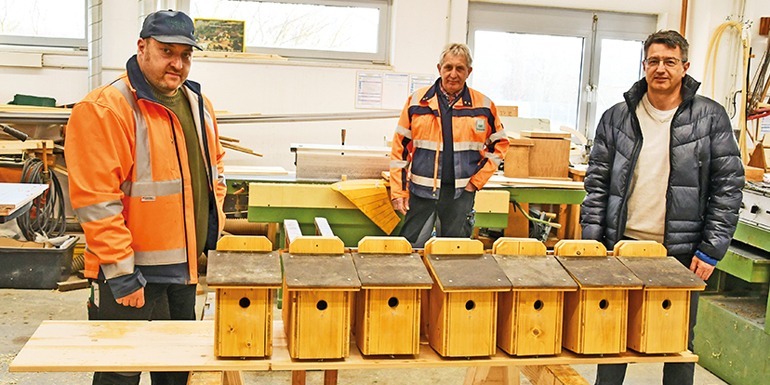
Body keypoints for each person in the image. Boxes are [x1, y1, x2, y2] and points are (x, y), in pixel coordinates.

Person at [65, 9, 226, 385]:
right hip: (132, 275)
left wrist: (210, 241)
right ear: (142, 47)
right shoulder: (106, 108)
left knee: (175, 374)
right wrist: (121, 274)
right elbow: (96, 201)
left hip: (184, 271)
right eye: (167, 51)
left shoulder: (198, 104)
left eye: (186, 55)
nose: (178, 63)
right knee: (120, 374)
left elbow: (214, 172)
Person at [581, 30, 744, 385]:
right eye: (653, 61)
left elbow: (727, 187)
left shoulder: (711, 118)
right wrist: (592, 245)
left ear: (685, 67)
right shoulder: (616, 117)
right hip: (621, 245)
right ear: (644, 65)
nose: (661, 69)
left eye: (670, 61)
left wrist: (711, 249)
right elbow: (595, 185)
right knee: (610, 335)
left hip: (681, 252)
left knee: (677, 342)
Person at [390, 43, 509, 247]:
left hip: (460, 195)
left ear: (468, 72)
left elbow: (500, 146)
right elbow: (400, 149)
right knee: (410, 251)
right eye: (448, 67)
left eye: (460, 68)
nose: (453, 74)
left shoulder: (484, 106)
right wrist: (399, 191)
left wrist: (476, 182)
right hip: (421, 192)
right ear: (439, 69)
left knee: (454, 255)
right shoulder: (417, 102)